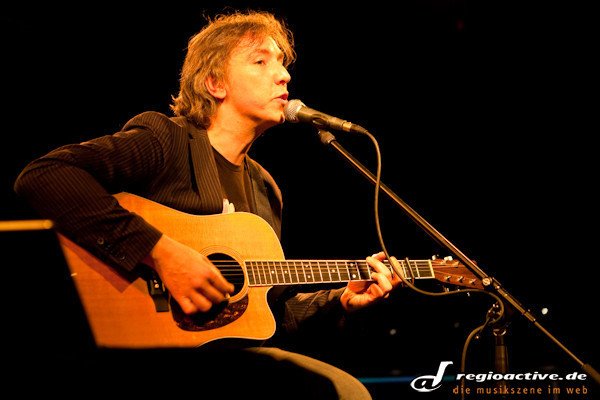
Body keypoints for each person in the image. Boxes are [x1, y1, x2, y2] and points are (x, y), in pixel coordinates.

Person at [14, 10, 402, 399]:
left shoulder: (265, 188)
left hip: (227, 357)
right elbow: (46, 174)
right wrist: (161, 252)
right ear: (215, 84)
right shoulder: (166, 141)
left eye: (283, 63)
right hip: (144, 354)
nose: (284, 75)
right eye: (261, 61)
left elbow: (270, 313)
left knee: (345, 390)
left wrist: (342, 301)